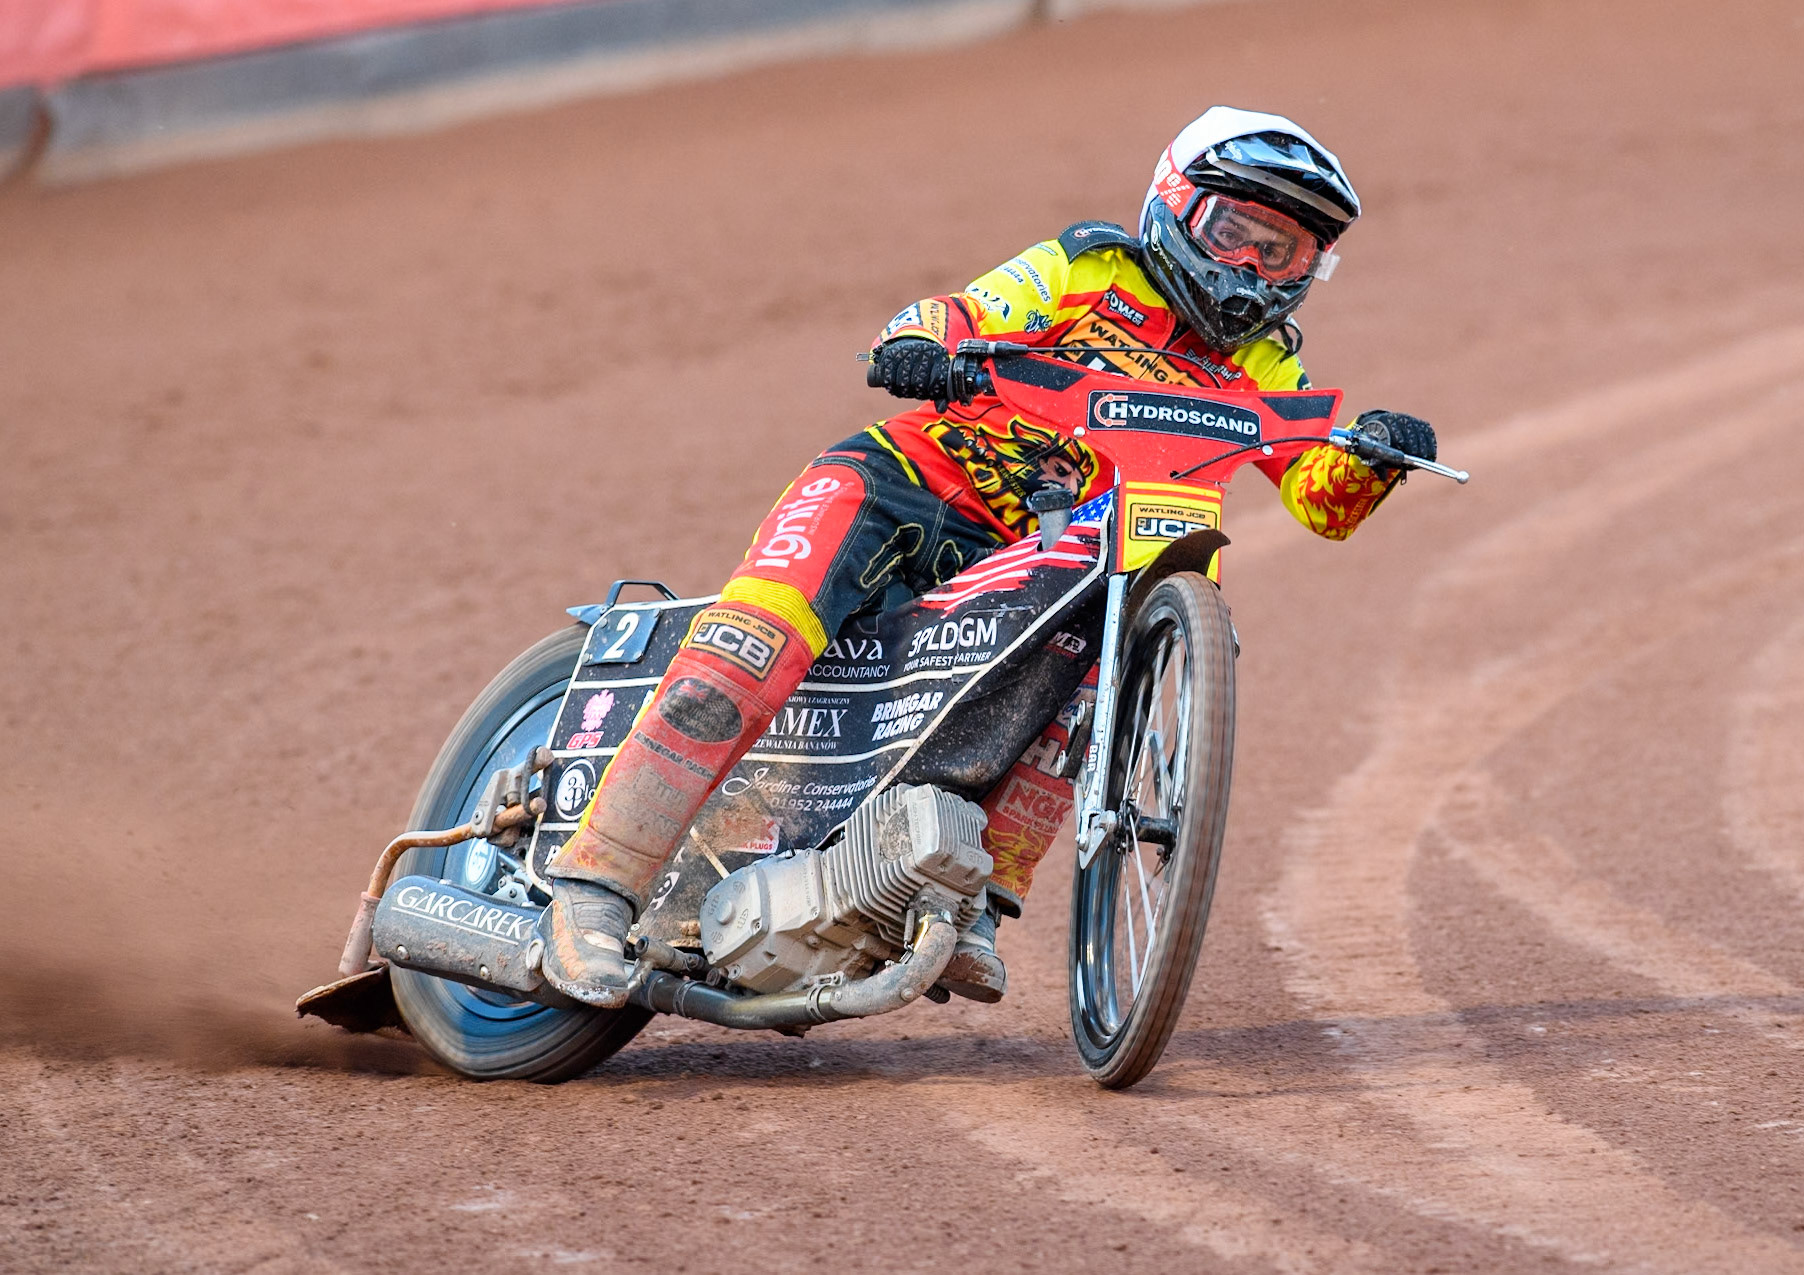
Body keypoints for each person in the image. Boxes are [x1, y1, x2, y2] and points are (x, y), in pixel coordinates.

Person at [539, 106, 1438, 1008]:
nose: (1248, 266)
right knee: (751, 649)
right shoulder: (1088, 269)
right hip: (900, 484)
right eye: (1233, 232)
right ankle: (590, 893)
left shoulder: (1269, 367)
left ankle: (972, 899)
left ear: (1311, 269)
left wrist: (1376, 456)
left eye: (1279, 252)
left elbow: (1321, 501)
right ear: (1175, 205)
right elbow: (960, 309)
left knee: (1090, 670)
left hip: (1025, 558)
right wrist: (921, 345)